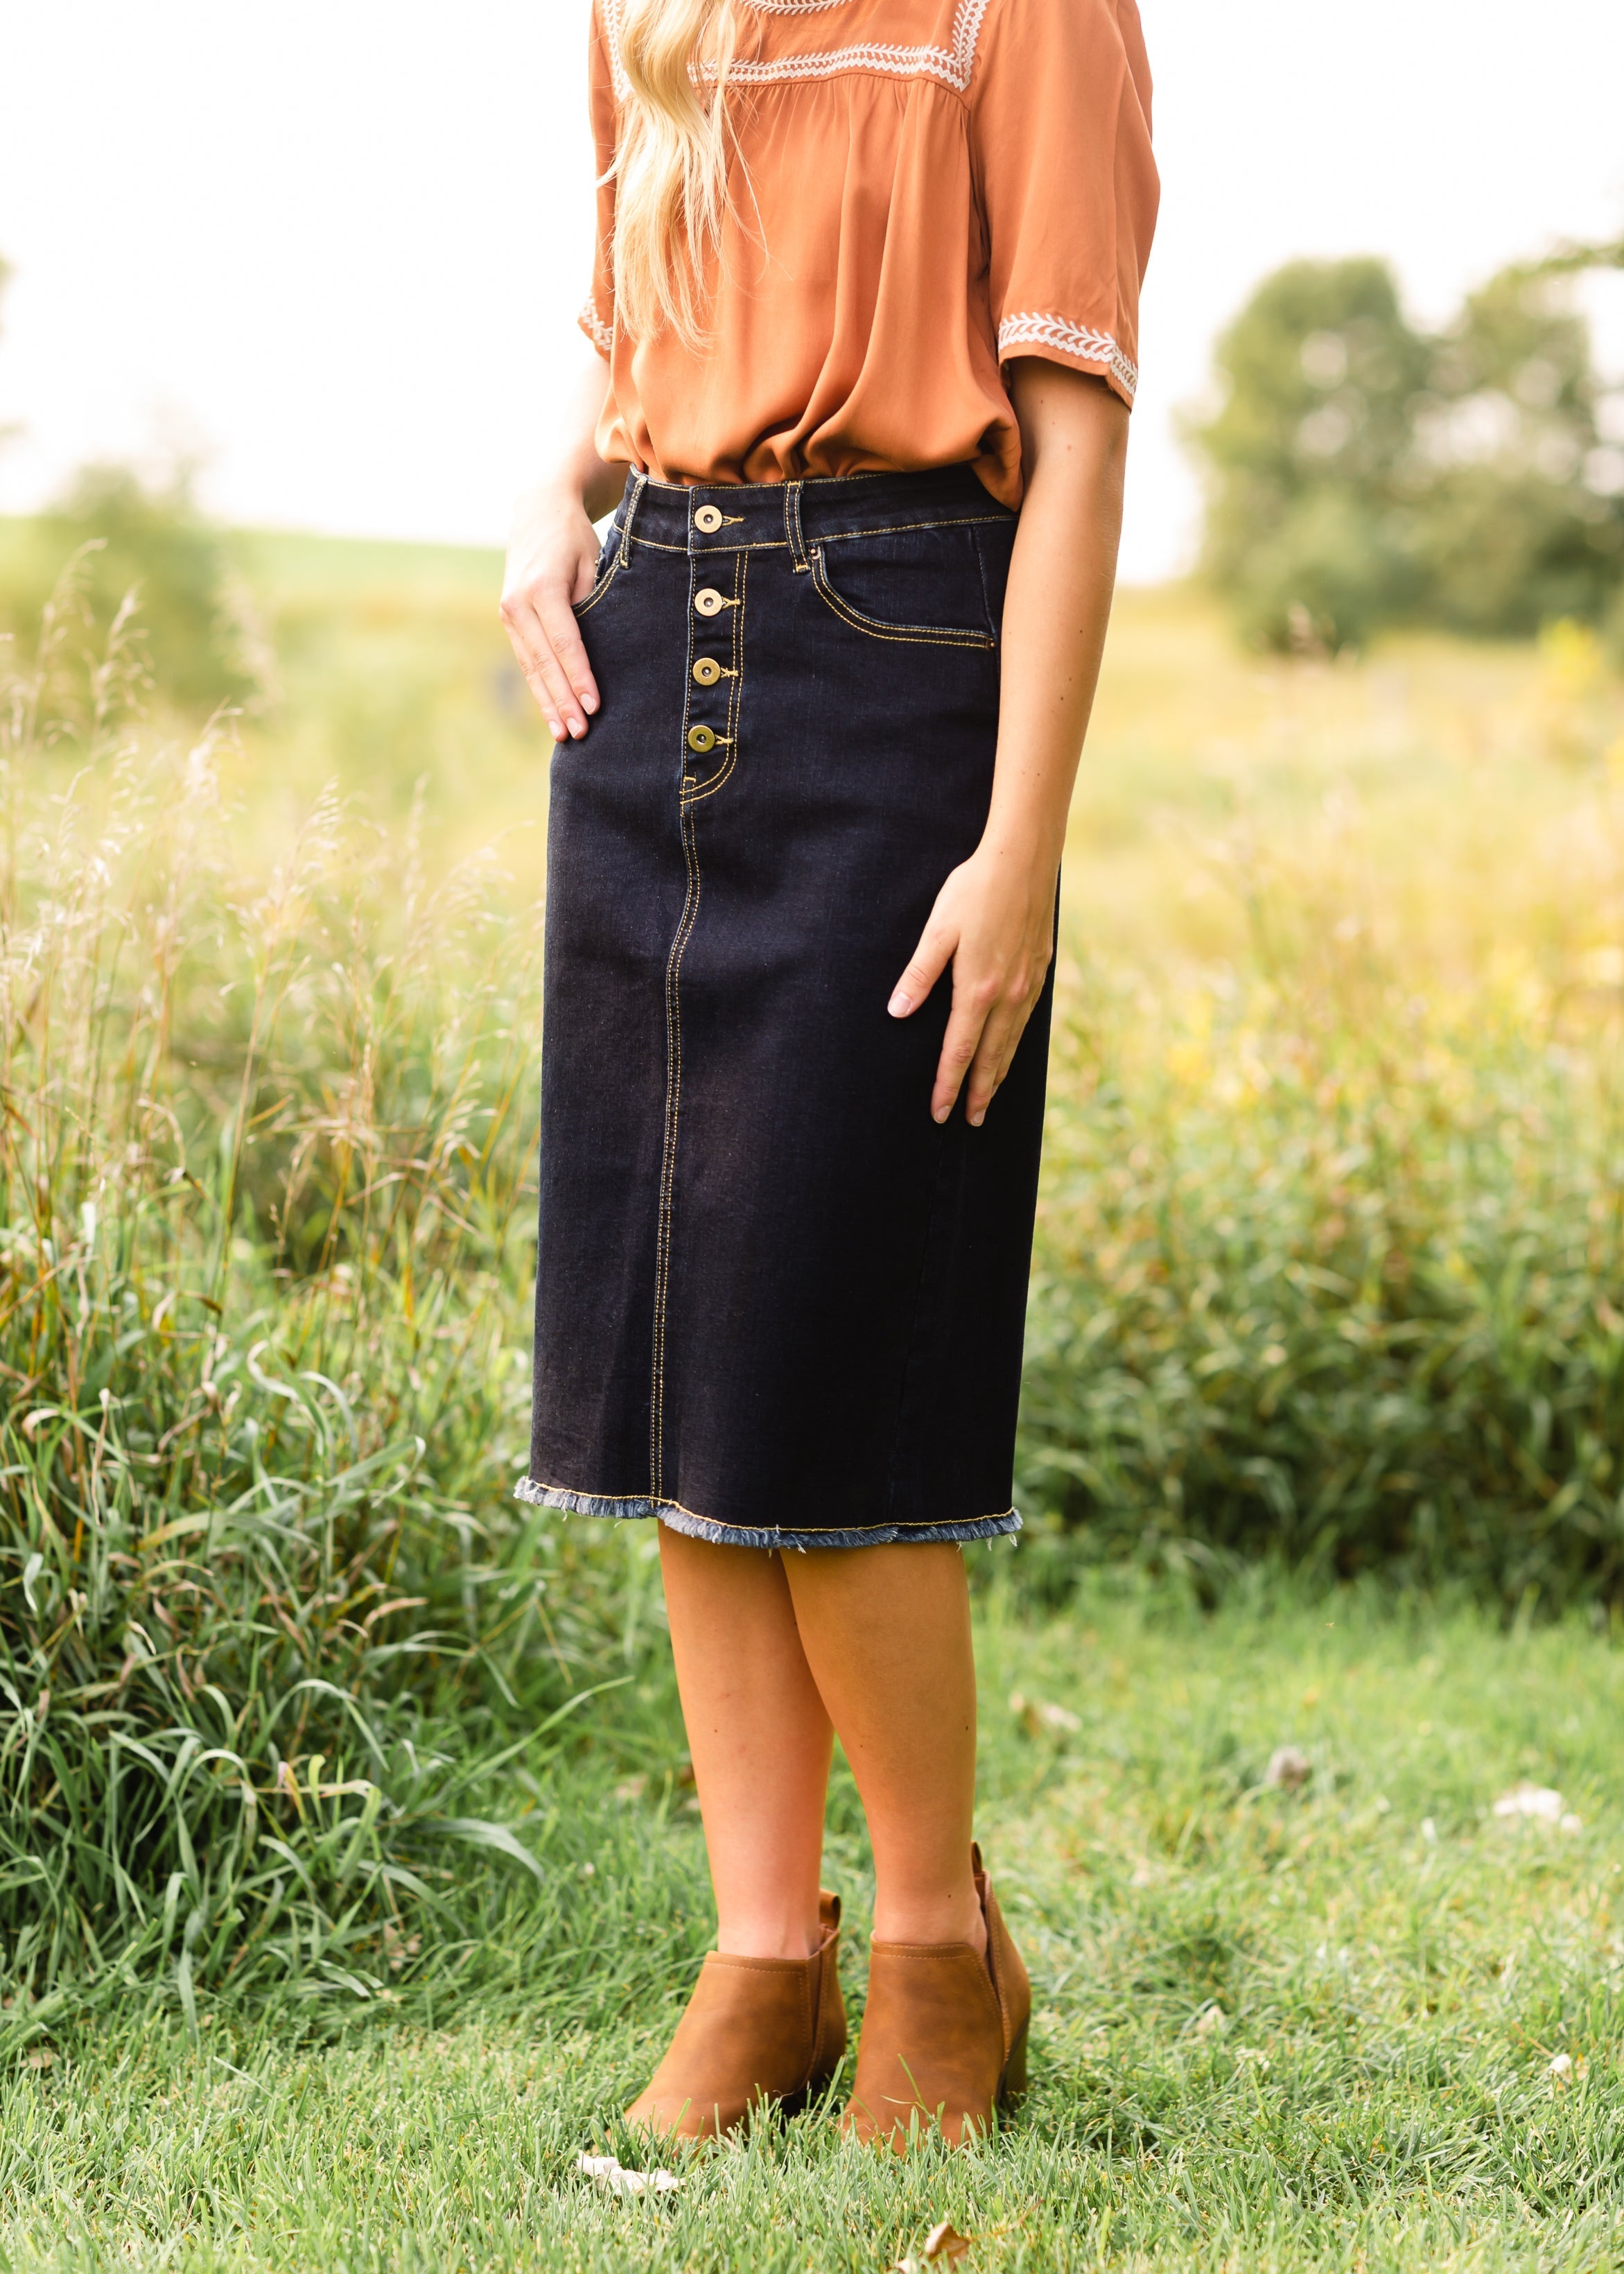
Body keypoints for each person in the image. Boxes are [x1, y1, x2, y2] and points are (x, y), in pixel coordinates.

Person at [500, 0, 1156, 2150]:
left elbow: (1076, 438)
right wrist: (546, 498)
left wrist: (1022, 843)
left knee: (828, 1351)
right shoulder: (649, 8)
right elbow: (621, 332)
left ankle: (938, 1948)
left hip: (905, 679)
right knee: (678, 1367)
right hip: (649, 647)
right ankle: (764, 1959)